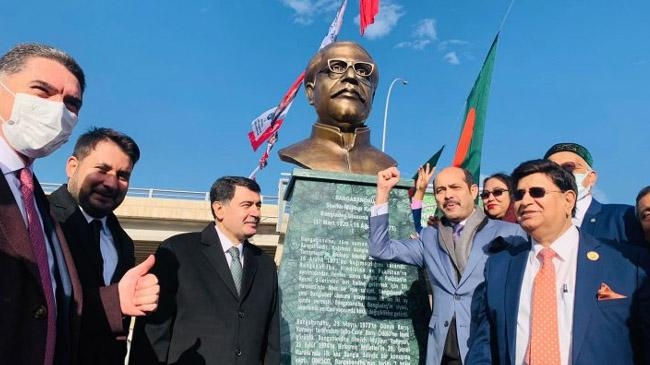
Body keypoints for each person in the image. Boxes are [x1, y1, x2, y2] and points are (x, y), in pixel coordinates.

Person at [0, 43, 158, 365]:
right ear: (73, 167)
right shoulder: (55, 215)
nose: (57, 110)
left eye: (71, 103)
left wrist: (117, 301)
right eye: (42, 91)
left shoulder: (36, 206)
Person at [466, 159, 650, 365]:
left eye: (537, 192)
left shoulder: (626, 264)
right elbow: (484, 348)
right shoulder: (498, 267)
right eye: (519, 195)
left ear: (568, 200)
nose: (525, 201)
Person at [369, 166, 525, 365]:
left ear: (473, 191)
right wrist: (383, 192)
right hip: (442, 350)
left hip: (488, 349)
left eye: (455, 187)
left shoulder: (511, 234)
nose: (448, 195)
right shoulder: (429, 237)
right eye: (440, 190)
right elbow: (380, 249)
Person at [131, 176, 280, 365]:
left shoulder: (265, 265)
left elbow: (272, 340)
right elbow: (154, 332)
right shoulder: (177, 251)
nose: (256, 213)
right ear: (219, 209)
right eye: (247, 205)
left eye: (258, 205)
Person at [48, 127, 142, 365]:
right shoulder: (42, 218)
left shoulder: (124, 243)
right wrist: (114, 299)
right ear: (72, 167)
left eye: (123, 175)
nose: (111, 183)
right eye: (102, 169)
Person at [278, 41, 396, 174]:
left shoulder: (385, 164)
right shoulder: (296, 153)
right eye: (337, 68)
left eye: (362, 71)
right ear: (311, 92)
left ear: (372, 97)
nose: (351, 76)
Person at [544, 142, 642, 242]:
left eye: (569, 167)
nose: (560, 174)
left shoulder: (625, 217)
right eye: (552, 169)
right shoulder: (532, 222)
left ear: (591, 177)